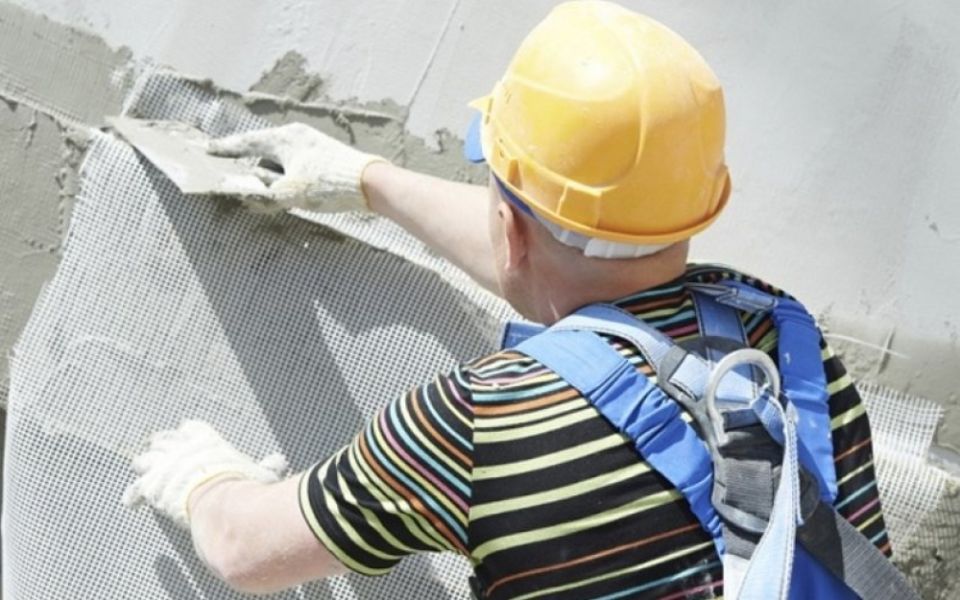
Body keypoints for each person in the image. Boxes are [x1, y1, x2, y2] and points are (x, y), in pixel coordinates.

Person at [123, 2, 899, 598]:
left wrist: (203, 481)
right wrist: (367, 181)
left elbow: (246, 551)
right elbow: (588, 290)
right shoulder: (786, 345)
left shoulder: (477, 424)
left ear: (510, 228)